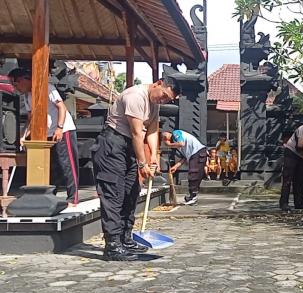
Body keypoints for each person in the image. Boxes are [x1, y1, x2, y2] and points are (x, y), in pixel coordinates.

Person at [91, 78, 179, 261]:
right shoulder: (136, 96)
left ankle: (125, 238)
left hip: (129, 148)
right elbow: (137, 133)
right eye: (163, 96)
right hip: (112, 144)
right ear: (158, 83)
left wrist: (153, 155)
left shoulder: (154, 103)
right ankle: (113, 245)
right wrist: (142, 164)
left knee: (131, 191)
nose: (163, 101)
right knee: (114, 195)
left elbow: (153, 129)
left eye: (167, 100)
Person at [8, 68, 79, 207]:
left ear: (24, 79)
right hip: (45, 133)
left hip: (63, 130)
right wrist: (23, 136)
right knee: (52, 166)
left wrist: (59, 128)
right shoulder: (27, 96)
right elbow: (30, 119)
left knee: (67, 164)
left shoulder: (47, 88)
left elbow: (62, 107)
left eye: (16, 84)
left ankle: (73, 198)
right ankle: (50, 196)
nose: (15, 87)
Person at [162, 130, 207, 205]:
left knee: (194, 173)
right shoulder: (176, 143)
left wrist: (169, 145)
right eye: (162, 137)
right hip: (194, 155)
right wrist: (176, 166)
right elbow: (184, 157)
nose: (164, 137)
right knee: (194, 174)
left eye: (164, 135)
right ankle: (192, 195)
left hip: (197, 152)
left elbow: (181, 144)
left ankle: (193, 196)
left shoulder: (176, 133)